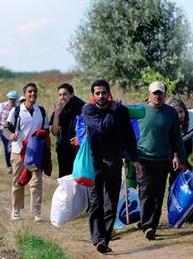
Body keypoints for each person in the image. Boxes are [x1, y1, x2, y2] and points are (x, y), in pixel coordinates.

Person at [82, 79, 141, 254]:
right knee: (96, 202)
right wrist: (112, 111)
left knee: (111, 202)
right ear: (93, 95)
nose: (101, 96)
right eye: (97, 93)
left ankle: (104, 240)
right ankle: (97, 237)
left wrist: (134, 159)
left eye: (104, 93)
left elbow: (129, 136)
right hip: (95, 162)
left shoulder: (120, 111)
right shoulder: (89, 110)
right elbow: (102, 128)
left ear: (109, 93)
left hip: (114, 161)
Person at [137, 81, 186, 240]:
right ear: (149, 94)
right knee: (146, 191)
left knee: (158, 193)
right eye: (154, 93)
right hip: (143, 158)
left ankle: (152, 225)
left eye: (160, 93)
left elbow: (176, 137)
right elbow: (127, 130)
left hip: (163, 158)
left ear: (165, 95)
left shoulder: (170, 113)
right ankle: (146, 224)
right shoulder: (139, 109)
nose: (157, 96)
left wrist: (178, 156)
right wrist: (126, 154)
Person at [3, 83, 48, 222]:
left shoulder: (41, 110)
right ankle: (16, 209)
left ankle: (36, 212)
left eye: (34, 91)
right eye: (30, 92)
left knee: (36, 182)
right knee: (18, 181)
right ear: (24, 94)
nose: (32, 94)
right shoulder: (16, 110)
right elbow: (6, 128)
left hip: (35, 153)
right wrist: (10, 136)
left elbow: (45, 129)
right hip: (18, 151)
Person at [166, 97, 193, 224]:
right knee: (175, 184)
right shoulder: (167, 122)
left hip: (192, 154)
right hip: (175, 156)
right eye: (175, 112)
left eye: (181, 111)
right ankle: (176, 215)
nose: (179, 115)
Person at [50, 83, 85, 177]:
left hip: (78, 149)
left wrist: (78, 138)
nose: (62, 97)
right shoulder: (60, 108)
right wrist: (57, 114)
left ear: (72, 94)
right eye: (60, 95)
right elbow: (54, 132)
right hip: (63, 148)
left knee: (78, 176)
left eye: (65, 94)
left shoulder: (82, 107)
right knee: (64, 177)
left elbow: (87, 128)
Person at [0, 90, 19, 173]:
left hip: (13, 131)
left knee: (13, 149)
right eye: (11, 98)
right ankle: (9, 166)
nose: (12, 100)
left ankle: (14, 164)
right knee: (7, 147)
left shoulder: (18, 108)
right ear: (8, 98)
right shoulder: (2, 106)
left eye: (14, 99)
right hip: (2, 130)